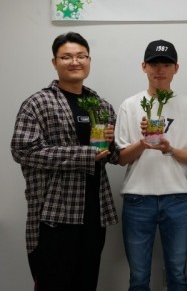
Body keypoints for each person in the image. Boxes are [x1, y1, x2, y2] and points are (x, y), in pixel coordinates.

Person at [11, 32, 118, 291]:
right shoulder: (38, 103)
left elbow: (112, 155)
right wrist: (84, 155)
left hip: (95, 213)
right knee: (53, 284)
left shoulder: (100, 105)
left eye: (81, 56)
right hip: (54, 214)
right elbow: (23, 150)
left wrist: (116, 142)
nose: (75, 62)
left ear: (89, 60)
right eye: (66, 57)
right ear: (54, 62)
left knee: (86, 283)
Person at [115, 39, 187, 291]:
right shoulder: (129, 105)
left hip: (176, 198)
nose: (160, 70)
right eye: (154, 64)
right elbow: (121, 158)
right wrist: (143, 143)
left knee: (177, 275)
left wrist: (169, 149)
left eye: (166, 64)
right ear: (144, 66)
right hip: (137, 199)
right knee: (139, 278)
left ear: (176, 68)